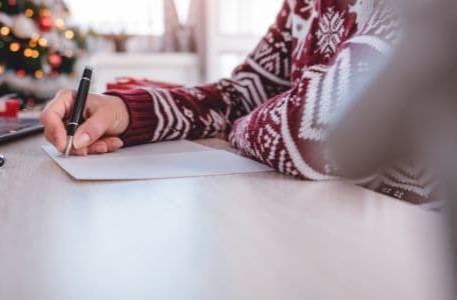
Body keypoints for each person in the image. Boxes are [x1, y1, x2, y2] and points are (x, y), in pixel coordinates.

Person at [41, 0, 431, 204]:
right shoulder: (303, 4)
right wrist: (126, 110)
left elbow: (319, 131)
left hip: (409, 241)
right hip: (321, 217)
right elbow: (242, 92)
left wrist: (235, 127)